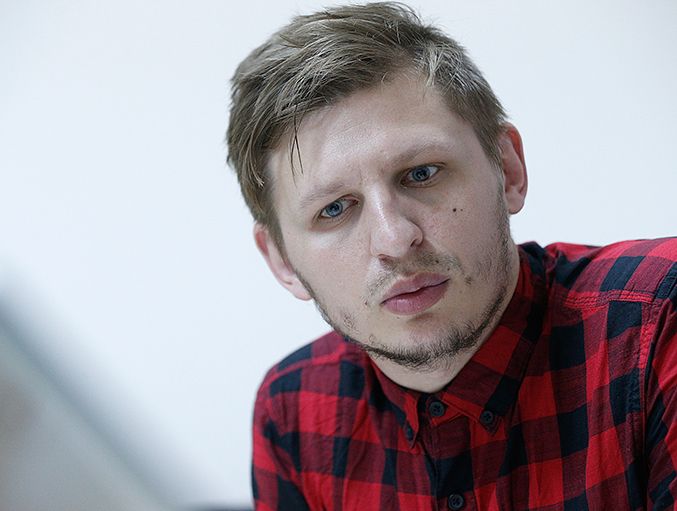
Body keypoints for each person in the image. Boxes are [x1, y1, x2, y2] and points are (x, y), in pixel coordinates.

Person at [226, 3, 677, 509]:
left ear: (507, 170)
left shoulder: (659, 322)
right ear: (283, 262)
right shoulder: (293, 412)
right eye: (334, 209)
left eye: (421, 174)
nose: (394, 240)